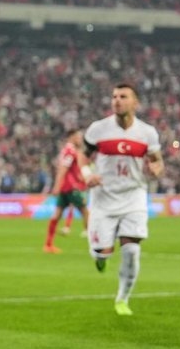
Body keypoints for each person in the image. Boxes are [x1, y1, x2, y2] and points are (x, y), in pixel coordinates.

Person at [82, 84, 163, 315]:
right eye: (114, 96)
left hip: (133, 196)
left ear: (135, 103)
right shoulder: (98, 129)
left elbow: (157, 160)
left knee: (131, 251)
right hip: (103, 198)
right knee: (101, 252)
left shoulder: (147, 133)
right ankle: (101, 257)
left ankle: (122, 299)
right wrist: (88, 174)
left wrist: (157, 168)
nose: (117, 100)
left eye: (123, 96)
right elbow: (83, 156)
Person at [43, 129, 89, 253]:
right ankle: (95, 240)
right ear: (72, 137)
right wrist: (56, 186)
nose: (80, 139)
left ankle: (48, 245)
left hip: (66, 186)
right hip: (70, 187)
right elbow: (63, 169)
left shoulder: (67, 150)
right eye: (78, 137)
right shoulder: (70, 151)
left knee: (57, 215)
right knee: (85, 211)